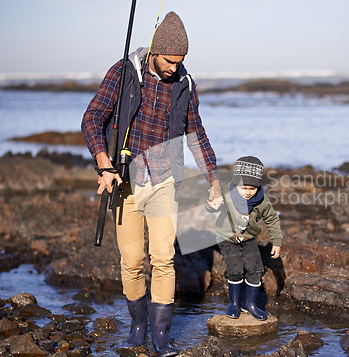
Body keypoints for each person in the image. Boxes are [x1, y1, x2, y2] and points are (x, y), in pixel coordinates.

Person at [81, 11, 222, 356]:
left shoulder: (185, 85)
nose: (175, 67)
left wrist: (213, 178)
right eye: (170, 60)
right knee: (131, 260)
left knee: (164, 259)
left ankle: (160, 336)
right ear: (156, 51)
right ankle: (137, 327)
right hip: (125, 182)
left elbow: (195, 133)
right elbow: (93, 118)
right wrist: (103, 162)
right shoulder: (124, 72)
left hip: (164, 182)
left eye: (181, 61)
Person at [206, 156, 282, 321]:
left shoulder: (261, 200)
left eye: (252, 189)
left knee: (255, 269)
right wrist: (211, 204)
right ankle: (234, 303)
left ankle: (250, 303)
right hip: (227, 237)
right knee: (236, 268)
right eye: (244, 188)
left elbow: (272, 219)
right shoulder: (226, 192)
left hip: (248, 238)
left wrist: (276, 241)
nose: (248, 192)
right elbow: (211, 206)